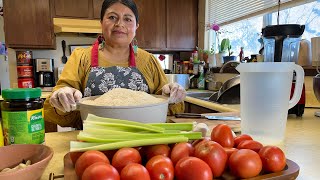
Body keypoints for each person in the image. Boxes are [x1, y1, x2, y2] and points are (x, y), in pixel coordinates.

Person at [44, 0, 186, 129]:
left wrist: (173, 95)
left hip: (143, 143)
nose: (120, 24)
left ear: (136, 26)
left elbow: (168, 108)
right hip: (93, 146)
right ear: (101, 22)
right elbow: (54, 111)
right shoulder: (80, 57)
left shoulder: (149, 60)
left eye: (127, 19)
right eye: (112, 17)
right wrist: (62, 96)